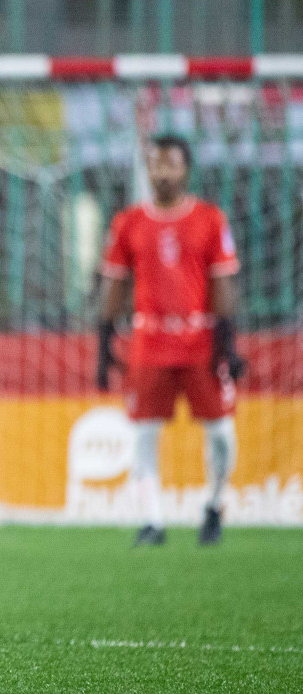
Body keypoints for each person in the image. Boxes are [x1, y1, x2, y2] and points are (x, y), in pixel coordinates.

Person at [97, 134, 243, 547]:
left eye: (171, 165)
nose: (162, 173)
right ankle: (151, 521)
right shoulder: (128, 222)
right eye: (156, 165)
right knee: (144, 432)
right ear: (148, 169)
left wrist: (228, 346)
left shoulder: (211, 219)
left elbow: (224, 284)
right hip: (149, 341)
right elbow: (113, 287)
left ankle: (214, 506)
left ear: (186, 169)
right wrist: (103, 347)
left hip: (200, 340)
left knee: (221, 432)